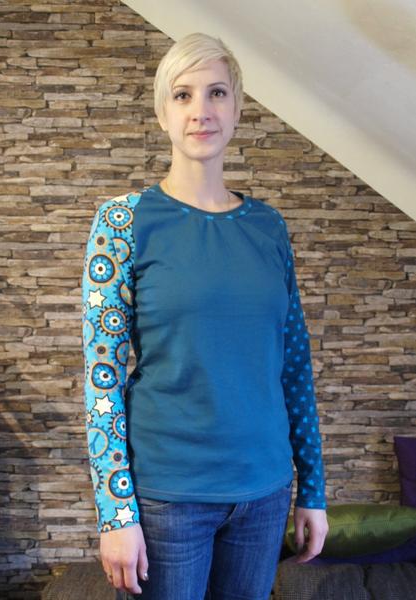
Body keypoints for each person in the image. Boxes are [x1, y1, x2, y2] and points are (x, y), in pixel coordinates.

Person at [81, 31, 329, 600]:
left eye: (217, 92)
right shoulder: (123, 222)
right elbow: (102, 378)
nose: (201, 110)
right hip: (168, 500)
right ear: (162, 113)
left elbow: (294, 365)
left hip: (264, 494)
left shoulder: (269, 227)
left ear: (237, 110)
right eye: (183, 94)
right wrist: (116, 513)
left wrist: (312, 488)